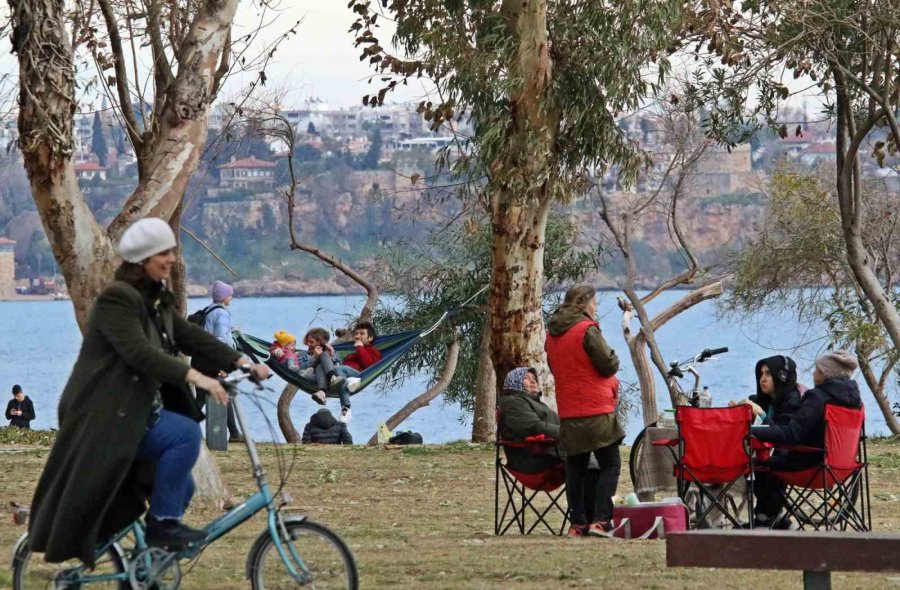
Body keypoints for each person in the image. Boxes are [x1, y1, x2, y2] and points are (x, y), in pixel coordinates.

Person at [27, 217, 270, 566]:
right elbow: (140, 353)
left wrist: (242, 361)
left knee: (181, 488)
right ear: (143, 259)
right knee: (185, 434)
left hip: (135, 413)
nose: (171, 259)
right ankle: (161, 527)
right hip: (105, 418)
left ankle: (143, 564)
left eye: (171, 251)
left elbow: (190, 335)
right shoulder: (118, 299)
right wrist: (197, 378)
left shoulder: (155, 301)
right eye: (163, 253)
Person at [750, 350, 862, 528]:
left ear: (825, 373)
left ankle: (766, 519)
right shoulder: (855, 402)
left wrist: (752, 430)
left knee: (762, 463)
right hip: (843, 468)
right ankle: (777, 519)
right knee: (774, 459)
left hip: (812, 466)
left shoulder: (818, 398)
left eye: (817, 370)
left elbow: (791, 434)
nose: (813, 373)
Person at [545, 284, 622, 538]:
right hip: (596, 409)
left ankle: (577, 523)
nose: (595, 308)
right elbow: (608, 364)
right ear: (584, 303)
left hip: (569, 410)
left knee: (575, 469)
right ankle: (601, 519)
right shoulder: (587, 330)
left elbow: (556, 368)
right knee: (610, 463)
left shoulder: (552, 334)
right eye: (595, 303)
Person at [192, 280, 244, 443]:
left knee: (215, 394)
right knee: (211, 395)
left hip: (201, 358)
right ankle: (181, 425)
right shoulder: (221, 313)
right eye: (230, 295)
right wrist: (223, 363)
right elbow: (220, 339)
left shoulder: (208, 310)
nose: (232, 298)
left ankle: (234, 433)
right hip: (213, 360)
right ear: (224, 297)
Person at [498, 367, 561, 474]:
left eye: (534, 378)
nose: (533, 381)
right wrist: (568, 434)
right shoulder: (513, 402)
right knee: (590, 464)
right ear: (514, 382)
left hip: (555, 451)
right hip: (534, 458)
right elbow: (534, 426)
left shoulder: (537, 403)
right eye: (526, 378)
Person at [730, 355, 803, 426]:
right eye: (761, 374)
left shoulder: (793, 403)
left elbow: (782, 434)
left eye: (768, 374)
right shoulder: (759, 400)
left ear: (782, 377)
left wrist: (761, 413)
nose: (762, 379)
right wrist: (738, 413)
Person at [330, 321, 376, 423]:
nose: (357, 336)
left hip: (360, 375)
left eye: (362, 333)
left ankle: (348, 382)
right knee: (340, 375)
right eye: (356, 333)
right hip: (345, 374)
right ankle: (346, 407)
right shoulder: (351, 352)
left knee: (340, 370)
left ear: (370, 338)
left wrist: (360, 347)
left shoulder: (373, 351)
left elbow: (369, 365)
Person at [303, 327, 345, 405]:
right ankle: (332, 377)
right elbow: (302, 369)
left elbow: (341, 368)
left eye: (311, 342)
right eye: (307, 341)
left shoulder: (333, 352)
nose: (308, 344)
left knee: (323, 358)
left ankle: (322, 392)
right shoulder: (303, 355)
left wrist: (332, 355)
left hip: (333, 382)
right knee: (321, 359)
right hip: (313, 378)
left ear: (321, 343)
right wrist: (314, 357)